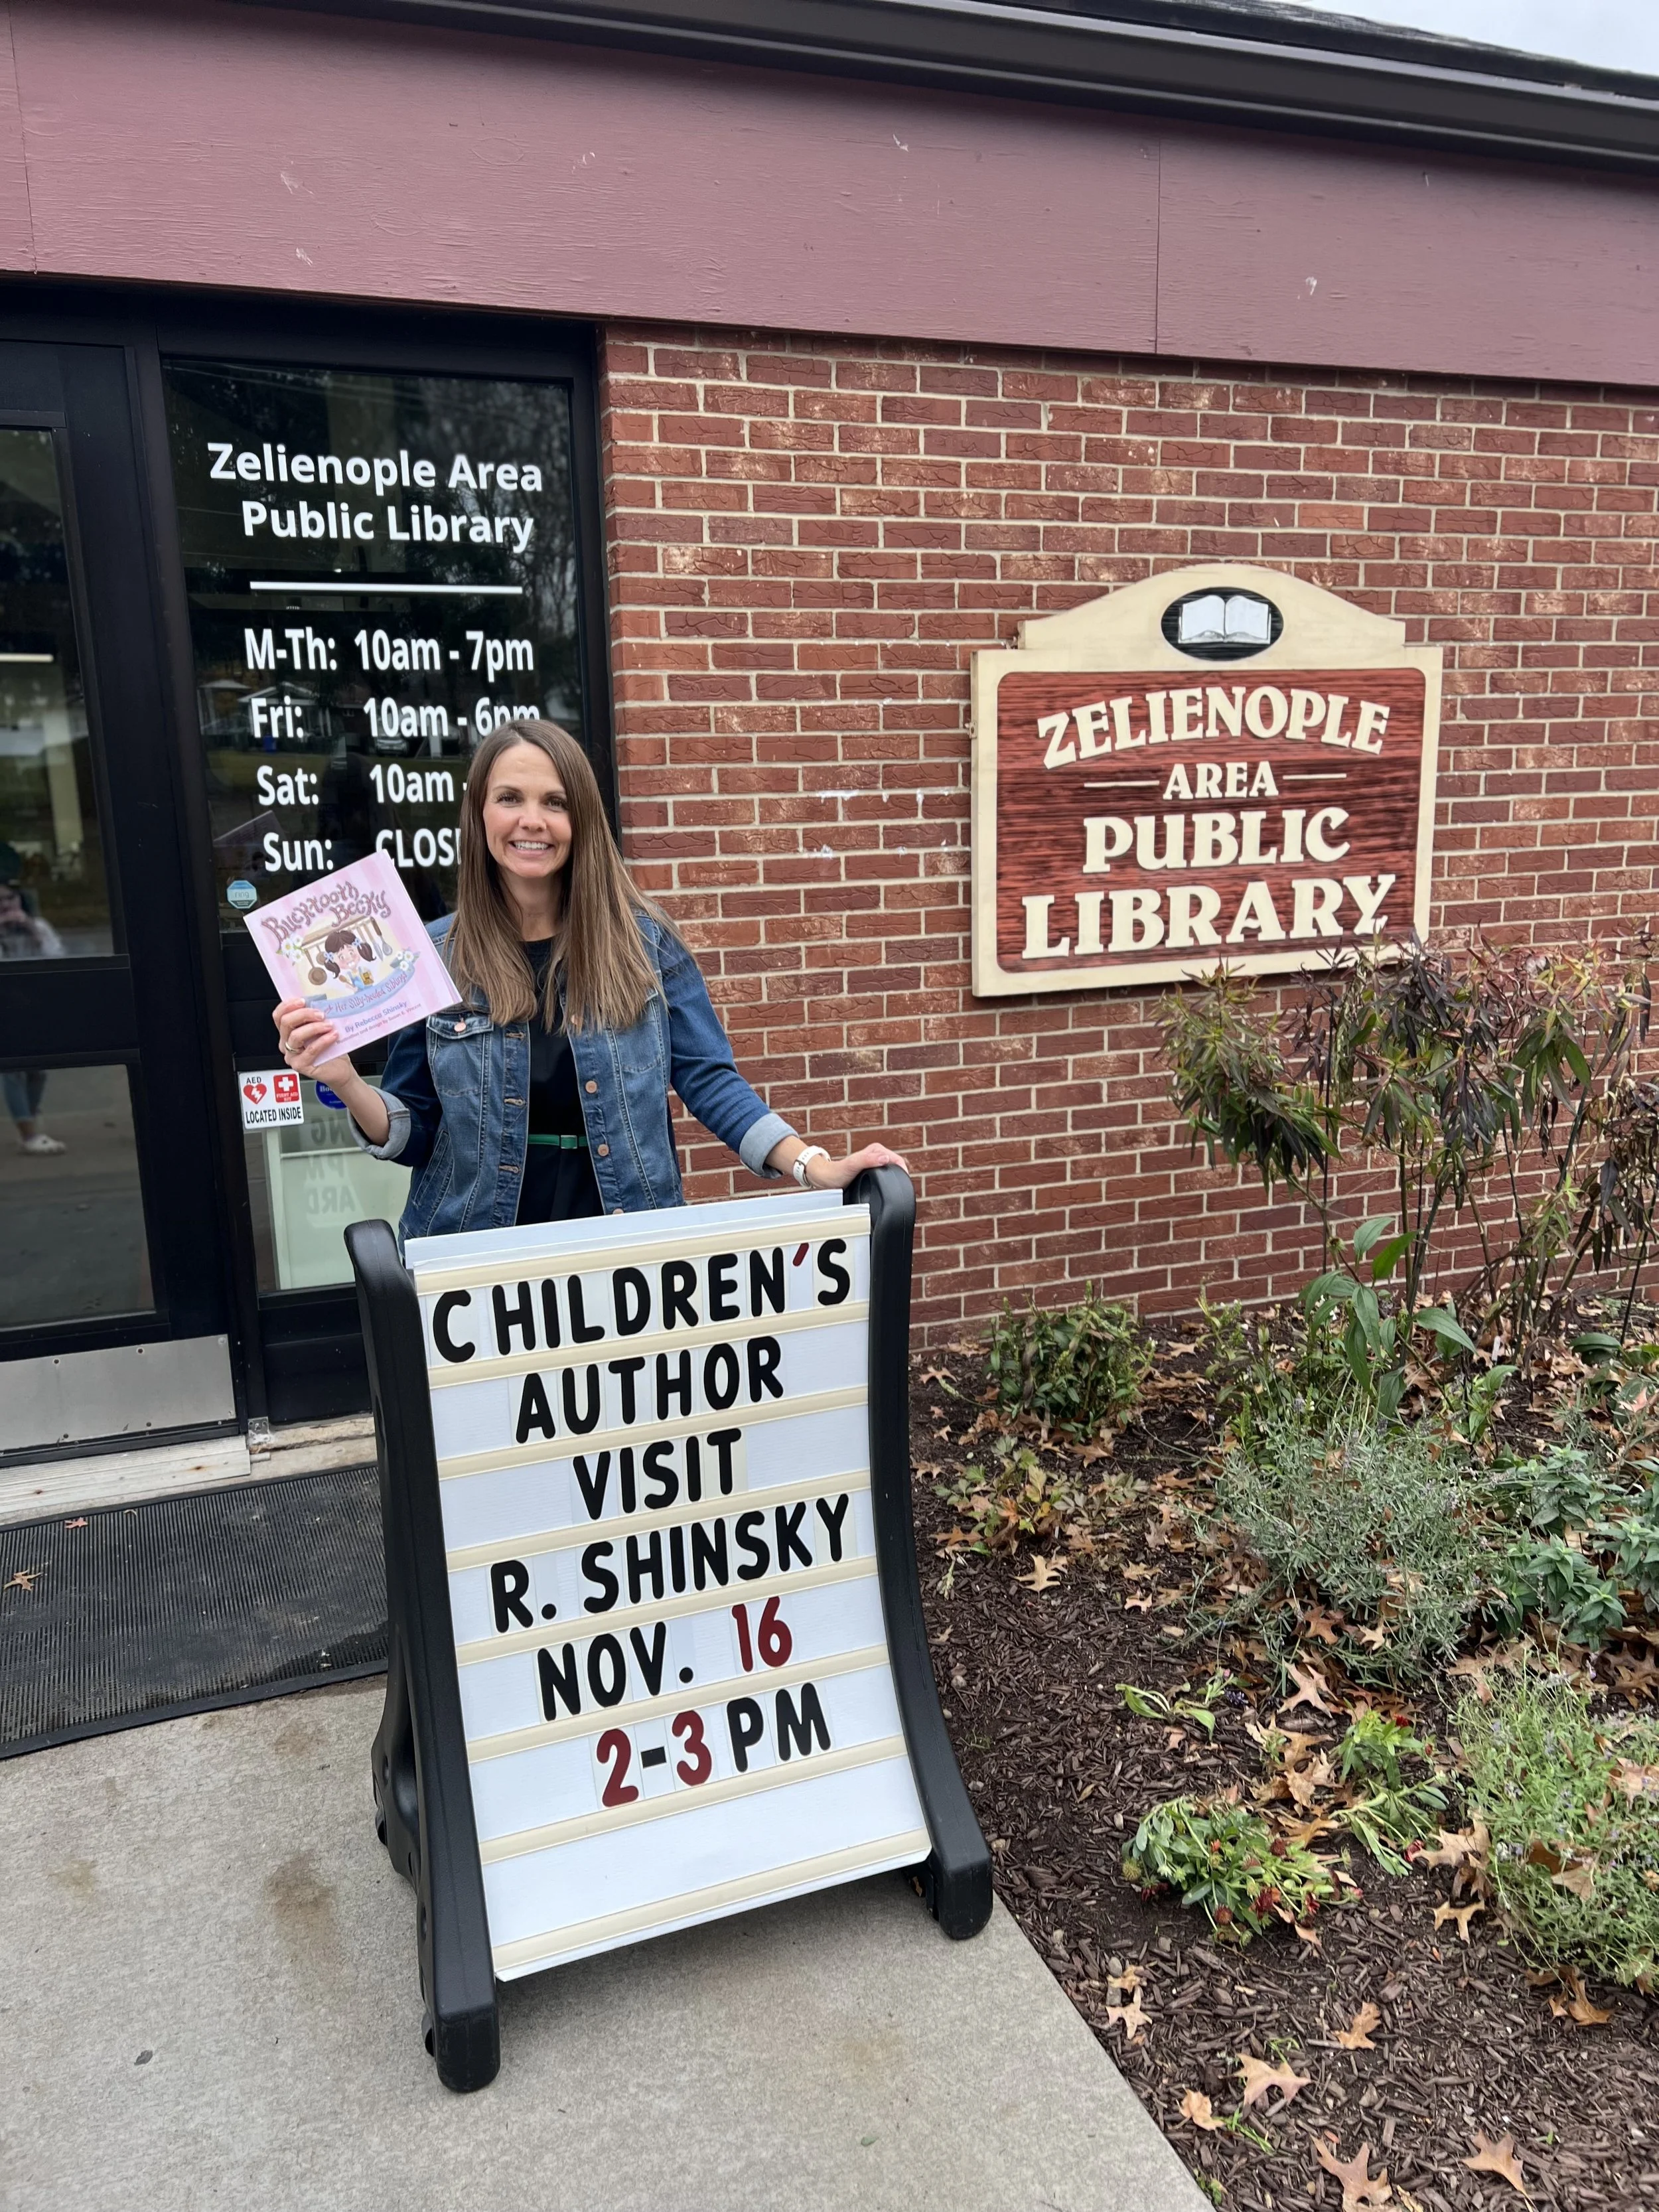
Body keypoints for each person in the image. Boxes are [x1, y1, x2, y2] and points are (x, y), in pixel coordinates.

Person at [273, 719, 905, 1242]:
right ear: (480, 814)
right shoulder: (431, 955)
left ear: (582, 819)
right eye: (510, 798)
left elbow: (710, 1080)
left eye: (555, 801)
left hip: (623, 1246)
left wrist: (812, 1166)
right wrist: (346, 1080)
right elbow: (414, 1132)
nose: (532, 820)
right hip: (471, 1258)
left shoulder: (645, 944)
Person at [0, 873, 67, 1155]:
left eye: (9, 898)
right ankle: (29, 1134)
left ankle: (29, 1119)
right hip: (5, 1007)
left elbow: (58, 957)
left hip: (35, 1007)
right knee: (13, 1070)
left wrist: (32, 931)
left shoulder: (37, 926)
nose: (5, 904)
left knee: (38, 1070)